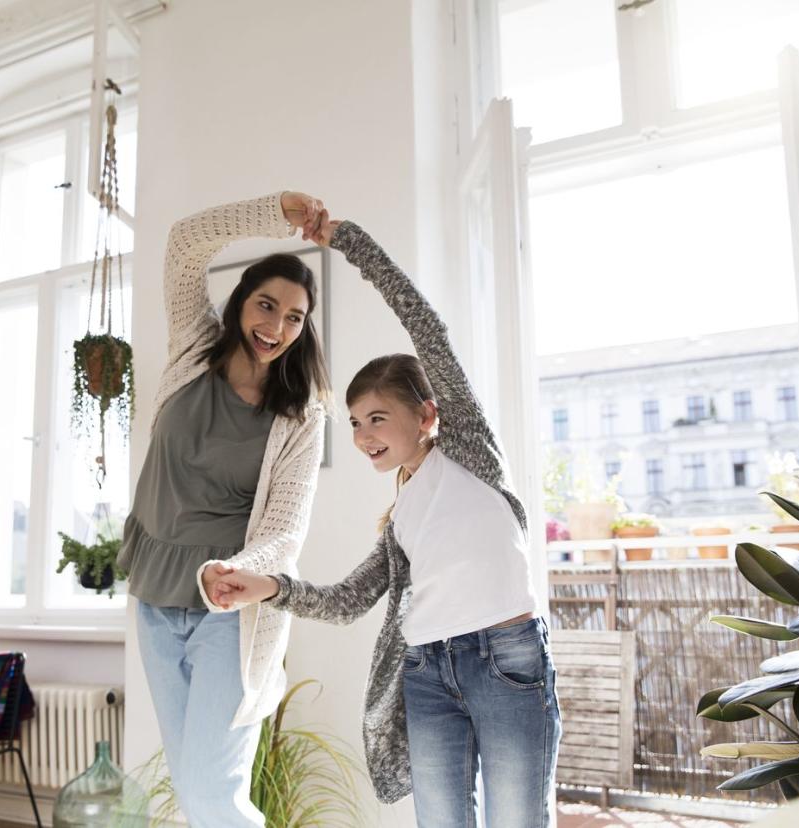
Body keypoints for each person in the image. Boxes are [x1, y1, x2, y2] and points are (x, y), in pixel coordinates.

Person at [212, 215, 562, 827]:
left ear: (427, 414)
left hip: (506, 660)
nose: (361, 435)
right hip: (425, 672)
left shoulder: (470, 455)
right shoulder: (400, 516)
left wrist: (345, 240)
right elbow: (349, 600)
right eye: (353, 422)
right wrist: (267, 587)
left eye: (376, 417)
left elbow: (425, 325)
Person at [118, 192, 330, 826]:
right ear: (241, 301)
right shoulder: (191, 348)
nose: (277, 326)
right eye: (268, 305)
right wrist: (279, 210)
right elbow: (185, 244)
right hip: (156, 598)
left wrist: (231, 571)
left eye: (295, 318)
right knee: (193, 790)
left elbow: (285, 527)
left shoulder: (302, 414)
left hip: (230, 612)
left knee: (214, 794)